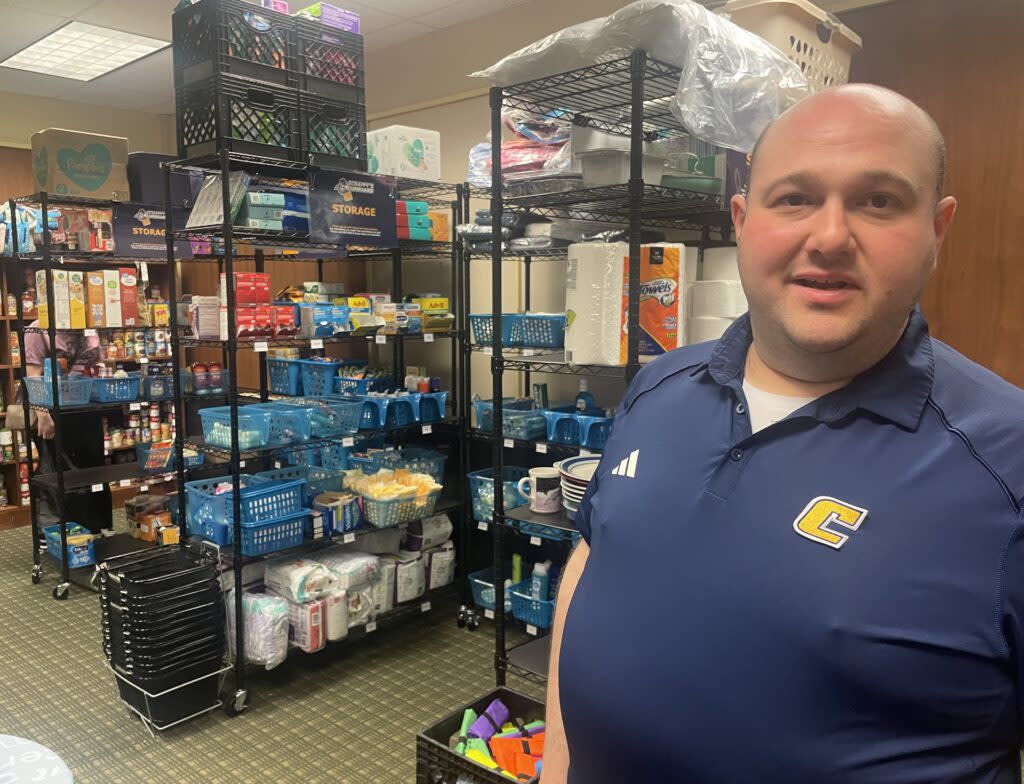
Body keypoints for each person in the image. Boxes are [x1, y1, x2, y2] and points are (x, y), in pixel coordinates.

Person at [543, 84, 1024, 783]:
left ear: (937, 229)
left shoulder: (1006, 466)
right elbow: (594, 554)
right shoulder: (658, 386)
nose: (828, 237)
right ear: (742, 219)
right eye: (794, 198)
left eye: (878, 200)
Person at [23, 323, 111, 533]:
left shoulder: (86, 326)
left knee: (93, 471)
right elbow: (33, 373)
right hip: (53, 412)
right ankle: (56, 532)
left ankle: (96, 529)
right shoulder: (38, 329)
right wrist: (42, 414)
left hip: (86, 409)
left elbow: (96, 363)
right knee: (58, 474)